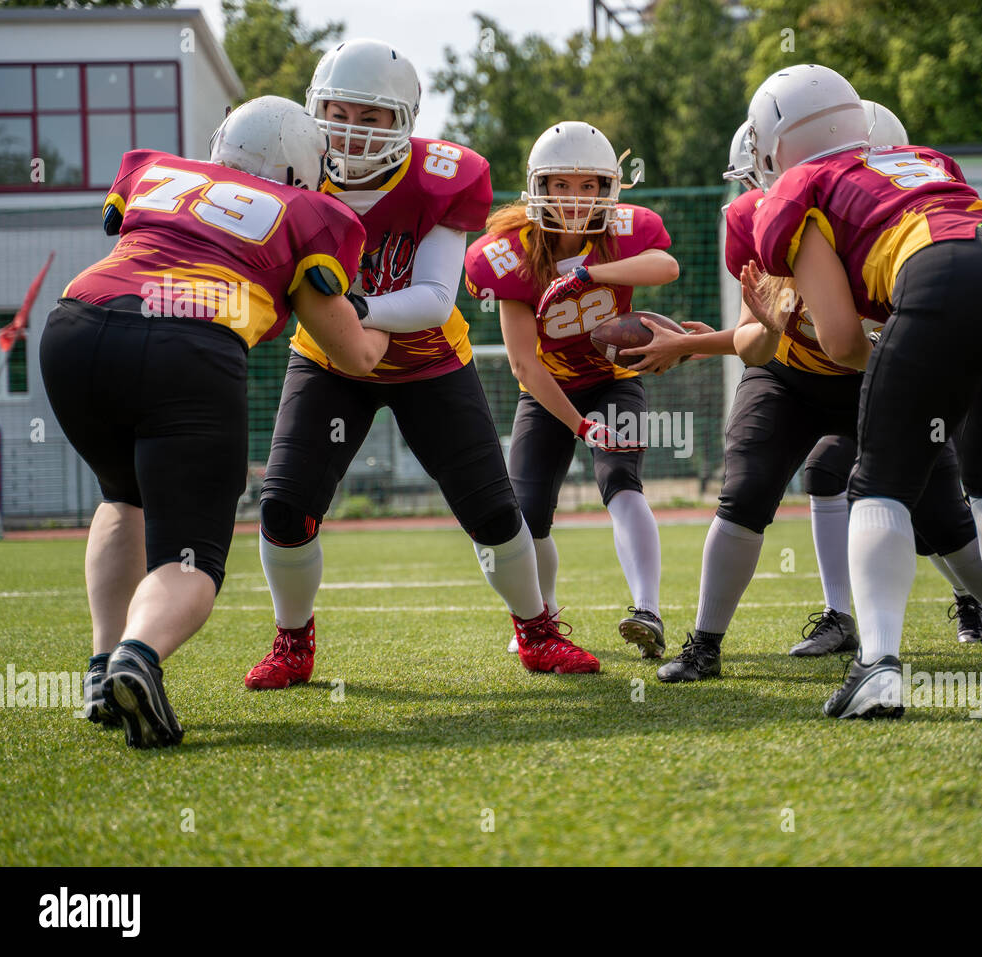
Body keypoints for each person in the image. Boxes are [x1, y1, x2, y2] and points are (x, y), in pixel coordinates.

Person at [659, 107, 982, 683]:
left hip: (868, 373)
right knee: (747, 492)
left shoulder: (863, 214)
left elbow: (876, 334)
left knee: (947, 521)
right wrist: (771, 325)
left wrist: (921, 370)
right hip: (791, 377)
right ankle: (705, 643)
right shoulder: (770, 215)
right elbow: (757, 345)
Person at [244, 40, 600, 686]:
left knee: (494, 513)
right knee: (283, 507)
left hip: (428, 361)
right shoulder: (292, 168)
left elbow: (435, 300)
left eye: (371, 116)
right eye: (339, 111)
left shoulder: (442, 175)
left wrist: (352, 311)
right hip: (329, 361)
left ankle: (537, 630)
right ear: (314, 109)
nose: (350, 130)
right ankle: (292, 641)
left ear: (403, 120)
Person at [40, 96, 390, 747]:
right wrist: (378, 324)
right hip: (187, 344)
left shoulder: (162, 173)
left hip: (76, 327)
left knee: (123, 494)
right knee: (191, 557)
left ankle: (99, 669)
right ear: (306, 169)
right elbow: (354, 354)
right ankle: (136, 657)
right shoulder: (307, 209)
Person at [749, 64, 982, 717]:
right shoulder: (917, 159)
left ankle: (877, 667)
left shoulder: (797, 188)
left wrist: (891, 355)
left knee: (879, 482)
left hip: (949, 272)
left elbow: (846, 339)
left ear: (774, 143)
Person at [464, 121, 680, 659]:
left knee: (620, 481)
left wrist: (591, 276)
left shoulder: (623, 233)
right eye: (562, 185)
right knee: (528, 511)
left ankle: (647, 609)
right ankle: (545, 618)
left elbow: (666, 266)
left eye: (589, 187)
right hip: (549, 388)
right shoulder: (511, 252)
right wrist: (579, 425)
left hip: (613, 380)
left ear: (609, 189)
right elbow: (523, 364)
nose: (576, 198)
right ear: (539, 186)